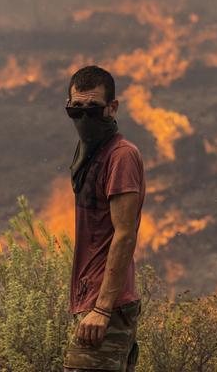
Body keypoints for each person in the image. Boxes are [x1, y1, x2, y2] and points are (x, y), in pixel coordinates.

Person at [62, 65, 145, 372]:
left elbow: (124, 234)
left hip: (105, 307)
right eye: (76, 110)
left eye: (93, 109)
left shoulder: (120, 156)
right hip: (91, 302)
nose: (84, 119)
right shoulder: (87, 154)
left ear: (112, 108)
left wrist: (102, 307)